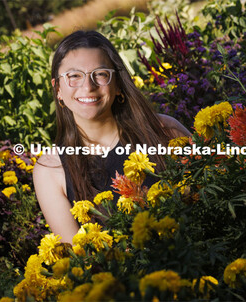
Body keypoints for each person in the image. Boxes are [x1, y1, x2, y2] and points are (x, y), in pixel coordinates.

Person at [33, 30, 190, 243]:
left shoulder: (164, 131)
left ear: (117, 84)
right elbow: (79, 261)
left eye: (100, 74)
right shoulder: (51, 170)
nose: (88, 87)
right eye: (74, 76)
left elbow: (211, 199)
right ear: (58, 89)